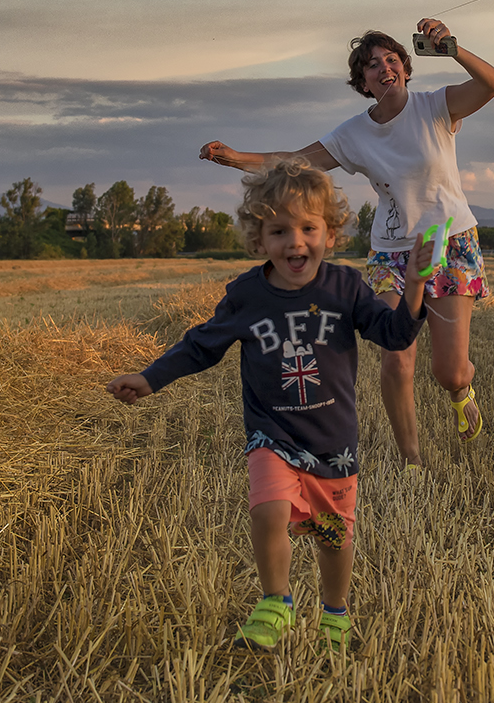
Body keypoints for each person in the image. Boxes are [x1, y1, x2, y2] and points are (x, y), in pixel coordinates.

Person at [106, 160, 428, 652]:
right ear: (259, 239)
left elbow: (394, 334)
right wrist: (150, 378)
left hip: (333, 441)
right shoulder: (246, 296)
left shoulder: (345, 289)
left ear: (331, 233)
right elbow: (199, 346)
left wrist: (415, 290)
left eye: (307, 228)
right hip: (270, 433)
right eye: (279, 231)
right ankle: (276, 601)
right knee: (268, 510)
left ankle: (334, 609)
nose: (295, 242)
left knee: (333, 537)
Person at [198, 17, 494, 469]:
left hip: (449, 241)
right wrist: (237, 158)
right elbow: (297, 160)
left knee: (448, 370)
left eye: (392, 59)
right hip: (392, 252)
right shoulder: (353, 134)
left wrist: (451, 47)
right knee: (396, 359)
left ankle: (461, 390)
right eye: (373, 65)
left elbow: (491, 84)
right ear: (362, 82)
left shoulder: (437, 107)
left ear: (405, 66)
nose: (385, 68)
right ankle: (411, 460)